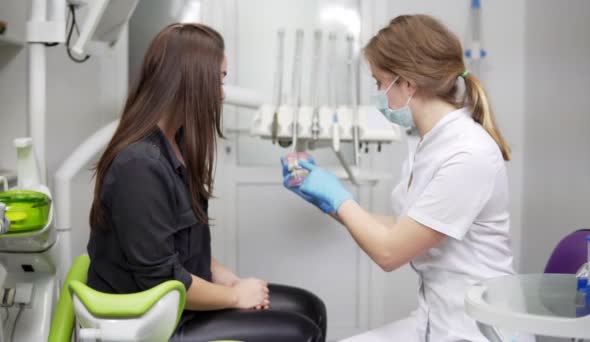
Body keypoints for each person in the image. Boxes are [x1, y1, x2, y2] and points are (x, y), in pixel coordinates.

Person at [87, 23, 325, 342]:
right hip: (150, 321)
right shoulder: (139, 165)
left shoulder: (177, 145)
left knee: (308, 307)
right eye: (219, 79)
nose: (222, 93)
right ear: (191, 81)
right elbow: (160, 280)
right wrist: (235, 297)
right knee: (300, 333)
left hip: (179, 303)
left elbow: (183, 247)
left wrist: (229, 280)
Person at [283, 14, 514, 341]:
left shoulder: (468, 154)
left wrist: (338, 196)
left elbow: (390, 252)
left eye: (379, 82)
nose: (378, 94)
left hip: (475, 330)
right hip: (437, 319)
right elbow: (402, 228)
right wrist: (325, 200)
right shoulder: (427, 142)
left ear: (407, 83)